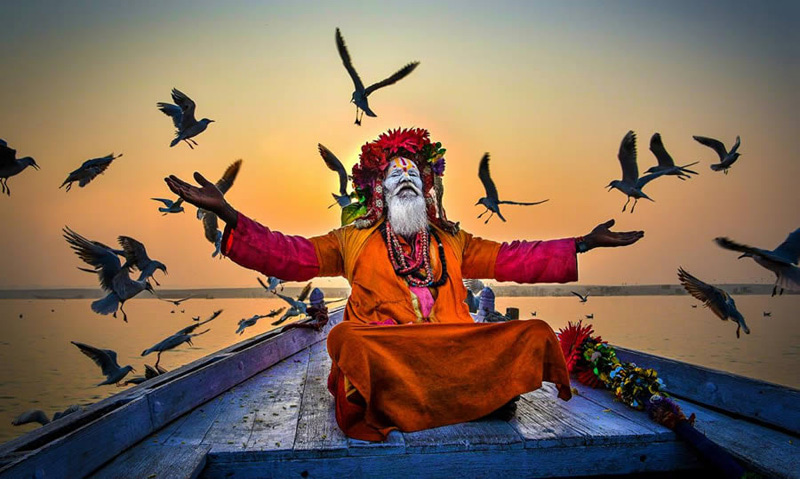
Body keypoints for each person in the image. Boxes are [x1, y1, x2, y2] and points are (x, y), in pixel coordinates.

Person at [165, 127, 643, 441]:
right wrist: (228, 213)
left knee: (532, 330)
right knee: (346, 337)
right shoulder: (350, 240)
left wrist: (583, 243)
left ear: (427, 186)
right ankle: (472, 396)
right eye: (395, 173)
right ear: (379, 189)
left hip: (450, 347)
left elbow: (513, 257)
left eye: (413, 172)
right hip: (389, 350)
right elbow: (289, 254)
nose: (405, 176)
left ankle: (464, 393)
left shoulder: (453, 241)